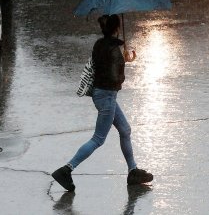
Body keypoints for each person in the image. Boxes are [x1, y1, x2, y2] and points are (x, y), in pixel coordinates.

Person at [52, 14, 152, 191]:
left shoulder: (100, 44)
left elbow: (104, 65)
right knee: (98, 139)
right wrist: (123, 60)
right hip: (107, 96)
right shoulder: (114, 49)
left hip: (103, 95)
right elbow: (114, 77)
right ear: (117, 29)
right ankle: (66, 169)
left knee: (125, 130)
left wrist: (124, 58)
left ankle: (133, 171)